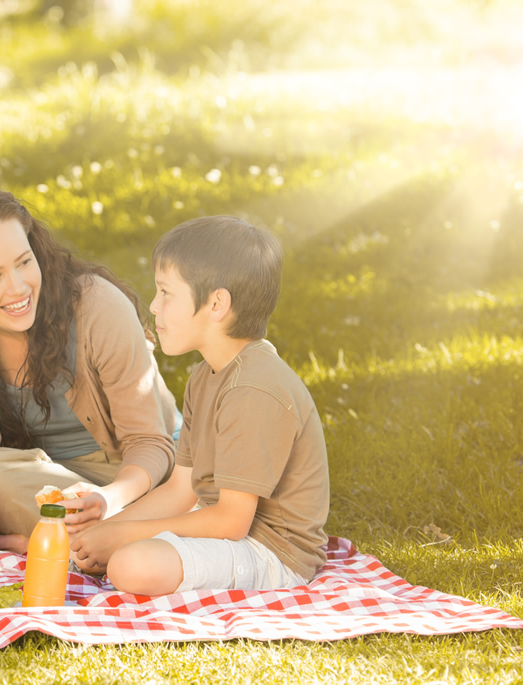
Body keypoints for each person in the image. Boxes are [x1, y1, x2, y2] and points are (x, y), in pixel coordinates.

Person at [70, 216, 330, 595]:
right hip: (221, 528)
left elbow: (232, 522)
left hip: (272, 552)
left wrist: (123, 536)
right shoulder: (205, 375)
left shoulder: (253, 389)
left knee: (130, 563)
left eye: (166, 293)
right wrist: (109, 528)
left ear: (216, 304)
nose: (154, 307)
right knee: (108, 545)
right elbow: (181, 489)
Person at [0, 185, 178, 553]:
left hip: (137, 476)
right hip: (49, 483)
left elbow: (151, 443)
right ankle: (97, 542)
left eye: (24, 262)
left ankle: (63, 542)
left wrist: (108, 500)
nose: (19, 288)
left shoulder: (97, 308)